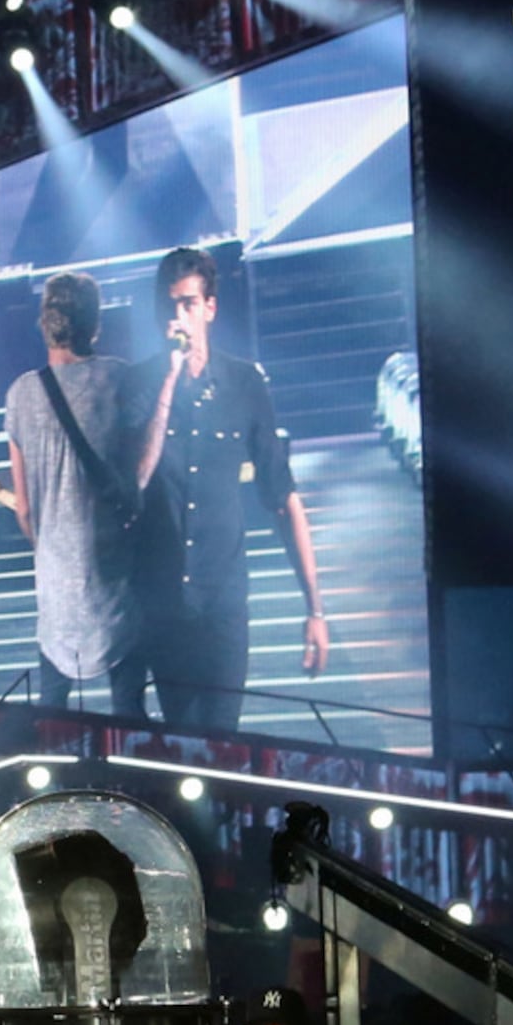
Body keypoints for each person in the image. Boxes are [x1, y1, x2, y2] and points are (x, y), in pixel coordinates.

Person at [121, 246, 330, 732]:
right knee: (182, 738)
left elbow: (283, 498)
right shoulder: (139, 384)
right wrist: (169, 380)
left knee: (222, 740)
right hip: (163, 603)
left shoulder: (244, 383)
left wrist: (315, 609)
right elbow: (135, 478)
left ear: (209, 307)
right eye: (169, 305)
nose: (178, 317)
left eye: (189, 304)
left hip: (223, 603)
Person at [3, 269, 139, 699]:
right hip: (117, 578)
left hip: (55, 588)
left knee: (54, 716)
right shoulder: (119, 379)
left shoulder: (21, 394)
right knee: (130, 714)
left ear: (45, 323)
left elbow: (24, 509)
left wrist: (48, 545)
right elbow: (141, 473)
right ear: (94, 325)